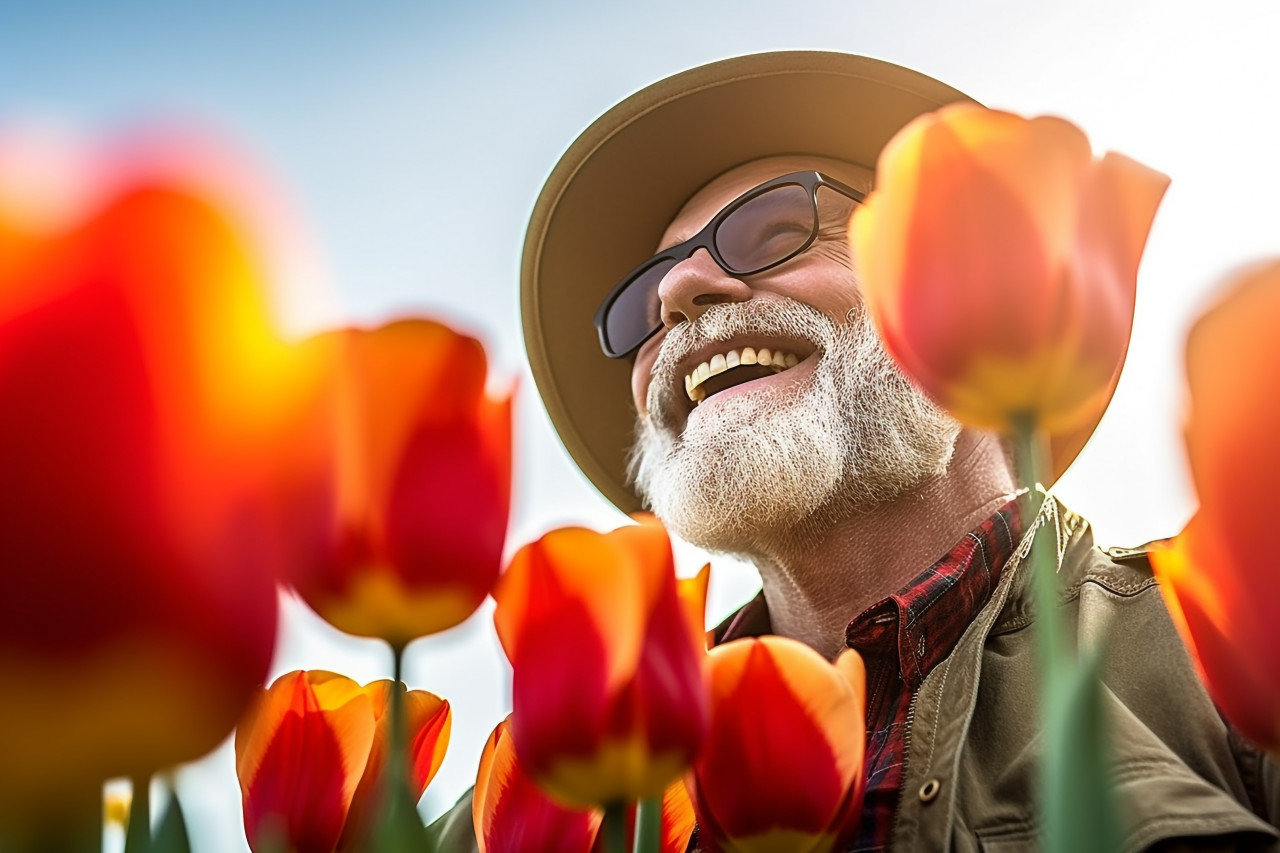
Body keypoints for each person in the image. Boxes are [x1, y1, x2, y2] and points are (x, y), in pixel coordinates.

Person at [431, 51, 1280, 851]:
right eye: (643, 302)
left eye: (772, 229)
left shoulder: (1229, 649)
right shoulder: (561, 768)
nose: (679, 293)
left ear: (953, 285)